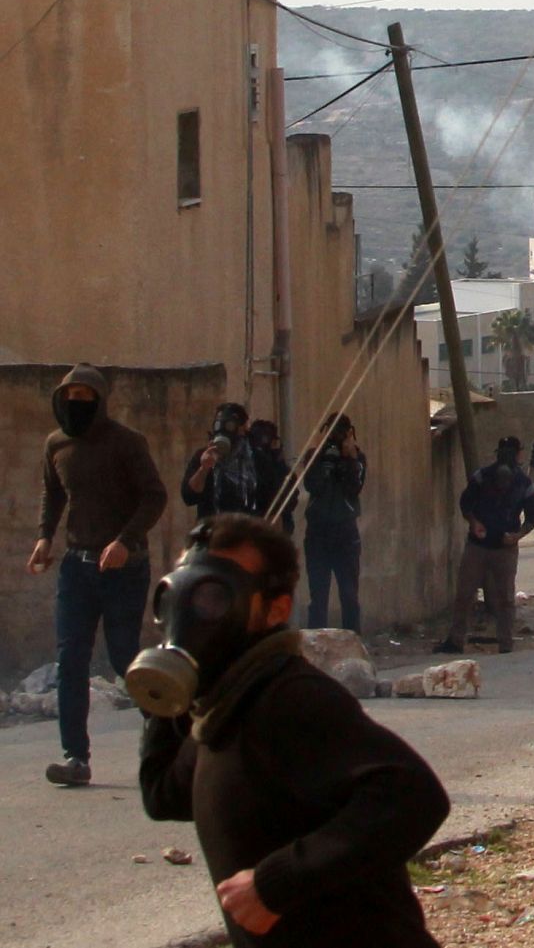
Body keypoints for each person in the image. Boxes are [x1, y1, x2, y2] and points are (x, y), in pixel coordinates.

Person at [135, 514, 449, 948]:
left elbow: (414, 794)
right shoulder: (222, 707)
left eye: (212, 597)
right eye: (182, 597)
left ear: (275, 609)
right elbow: (163, 794)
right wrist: (163, 699)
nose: (195, 612)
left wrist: (275, 884)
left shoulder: (288, 697)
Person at [28, 363, 168, 787]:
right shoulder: (55, 445)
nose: (77, 405)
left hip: (125, 568)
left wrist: (126, 540)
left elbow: (155, 496)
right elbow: (53, 493)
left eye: (86, 398)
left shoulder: (126, 443)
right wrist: (44, 537)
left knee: (124, 655)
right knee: (71, 659)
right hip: (77, 566)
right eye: (70, 397)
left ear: (100, 401)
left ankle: (166, 731)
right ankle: (76, 757)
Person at [435, 437, 534, 655]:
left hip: (505, 547)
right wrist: (474, 522)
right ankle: (455, 640)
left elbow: (532, 517)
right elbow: (465, 503)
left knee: (506, 599)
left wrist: (517, 536)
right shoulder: (482, 477)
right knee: (465, 594)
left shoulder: (524, 484)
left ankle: (506, 644)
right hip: (478, 546)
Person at [302, 414, 365, 632]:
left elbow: (354, 488)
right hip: (318, 533)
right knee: (318, 595)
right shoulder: (314, 456)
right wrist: (321, 456)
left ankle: (353, 640)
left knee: (349, 594)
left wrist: (349, 459)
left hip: (345, 533)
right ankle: (315, 642)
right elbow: (312, 485)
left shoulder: (357, 458)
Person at [181, 403, 261, 520]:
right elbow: (189, 497)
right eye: (219, 424)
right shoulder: (203, 456)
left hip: (248, 532)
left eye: (230, 425)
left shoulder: (257, 459)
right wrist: (204, 469)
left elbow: (272, 503)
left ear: (243, 428)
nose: (224, 429)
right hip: (214, 532)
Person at [248, 419, 298, 533]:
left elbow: (290, 497)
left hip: (278, 526)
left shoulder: (278, 466)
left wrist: (278, 460)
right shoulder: (248, 465)